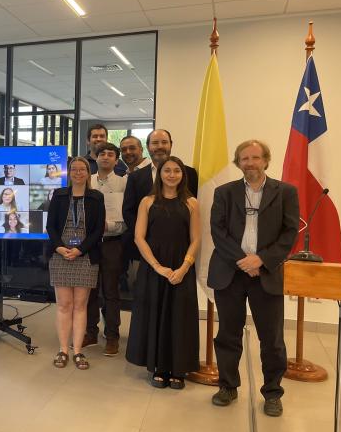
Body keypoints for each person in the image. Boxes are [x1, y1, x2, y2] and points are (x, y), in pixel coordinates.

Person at [209, 140, 299, 417]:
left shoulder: (285, 191)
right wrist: (242, 260)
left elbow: (289, 232)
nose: (250, 162)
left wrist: (261, 260)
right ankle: (228, 386)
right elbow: (218, 230)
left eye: (255, 157)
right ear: (238, 162)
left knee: (271, 339)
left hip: (267, 274)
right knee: (228, 334)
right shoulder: (224, 192)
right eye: (244, 158)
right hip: (230, 273)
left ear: (266, 160)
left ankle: (272, 392)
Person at [125, 156, 201, 390]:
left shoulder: (191, 203)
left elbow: (196, 238)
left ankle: (178, 369)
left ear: (182, 175)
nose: (171, 175)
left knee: (179, 317)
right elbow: (139, 237)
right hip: (153, 268)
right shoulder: (147, 202)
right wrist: (158, 267)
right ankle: (158, 367)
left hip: (181, 269)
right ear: (160, 174)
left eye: (176, 171)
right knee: (155, 315)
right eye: (167, 170)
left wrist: (184, 267)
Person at [46, 157, 104, 371]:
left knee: (80, 306)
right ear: (69, 173)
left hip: (86, 255)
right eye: (74, 169)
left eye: (83, 169)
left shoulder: (97, 197)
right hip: (60, 254)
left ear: (89, 173)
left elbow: (98, 230)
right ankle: (63, 349)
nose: (78, 173)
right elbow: (50, 226)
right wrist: (60, 248)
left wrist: (80, 249)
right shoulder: (59, 195)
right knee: (64, 305)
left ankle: (78, 350)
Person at [122, 129, 198, 262]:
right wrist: (147, 237)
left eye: (164, 142)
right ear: (148, 147)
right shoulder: (135, 177)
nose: (160, 146)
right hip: (142, 250)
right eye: (155, 143)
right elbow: (128, 211)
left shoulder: (190, 174)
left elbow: (193, 212)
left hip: (180, 249)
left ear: (171, 145)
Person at [86, 143, 128, 355]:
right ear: (95, 156)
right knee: (90, 290)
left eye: (111, 154)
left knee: (111, 291)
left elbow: (127, 217)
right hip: (89, 244)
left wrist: (108, 226)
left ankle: (112, 336)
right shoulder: (88, 181)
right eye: (102, 153)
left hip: (112, 242)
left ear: (116, 160)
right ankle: (90, 332)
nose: (105, 157)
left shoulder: (123, 183)